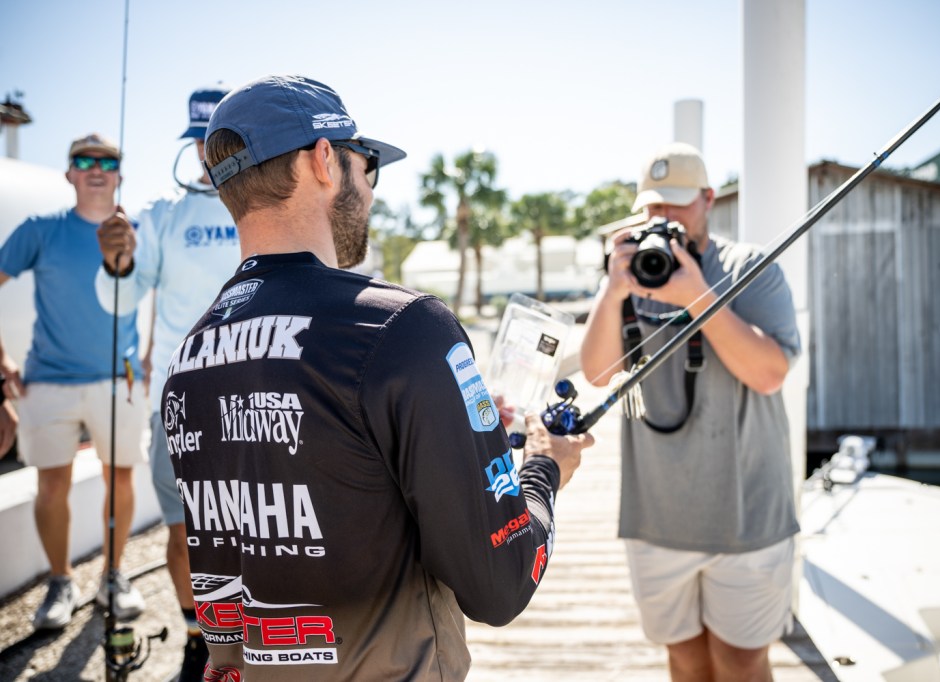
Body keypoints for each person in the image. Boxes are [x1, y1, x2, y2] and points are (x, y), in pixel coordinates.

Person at [125, 74, 595, 681]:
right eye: (366, 165)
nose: (369, 190)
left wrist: (455, 433)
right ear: (324, 160)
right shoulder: (402, 326)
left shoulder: (188, 359)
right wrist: (544, 468)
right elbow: (499, 584)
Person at [579, 142, 801, 682]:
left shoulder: (750, 268)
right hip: (658, 514)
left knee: (742, 663)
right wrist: (613, 288)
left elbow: (769, 374)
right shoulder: (633, 275)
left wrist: (698, 297)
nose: (664, 217)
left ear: (708, 198)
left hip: (748, 514)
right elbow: (599, 373)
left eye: (677, 202)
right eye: (653, 206)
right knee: (683, 659)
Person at [95, 84, 237, 681]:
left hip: (260, 399)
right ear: (192, 146)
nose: (210, 151)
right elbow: (118, 297)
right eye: (201, 140)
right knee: (186, 537)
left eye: (221, 139)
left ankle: (259, 643)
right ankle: (199, 640)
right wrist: (119, 261)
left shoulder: (266, 202)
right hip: (178, 404)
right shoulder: (160, 215)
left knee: (263, 531)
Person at [0, 133, 148, 631]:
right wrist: (2, 363)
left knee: (121, 477)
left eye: (107, 160)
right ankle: (61, 580)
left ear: (120, 174)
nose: (96, 168)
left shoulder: (139, 231)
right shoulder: (39, 230)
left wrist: (152, 356)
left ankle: (114, 574)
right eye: (83, 160)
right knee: (51, 485)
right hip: (48, 381)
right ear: (69, 174)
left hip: (119, 379)